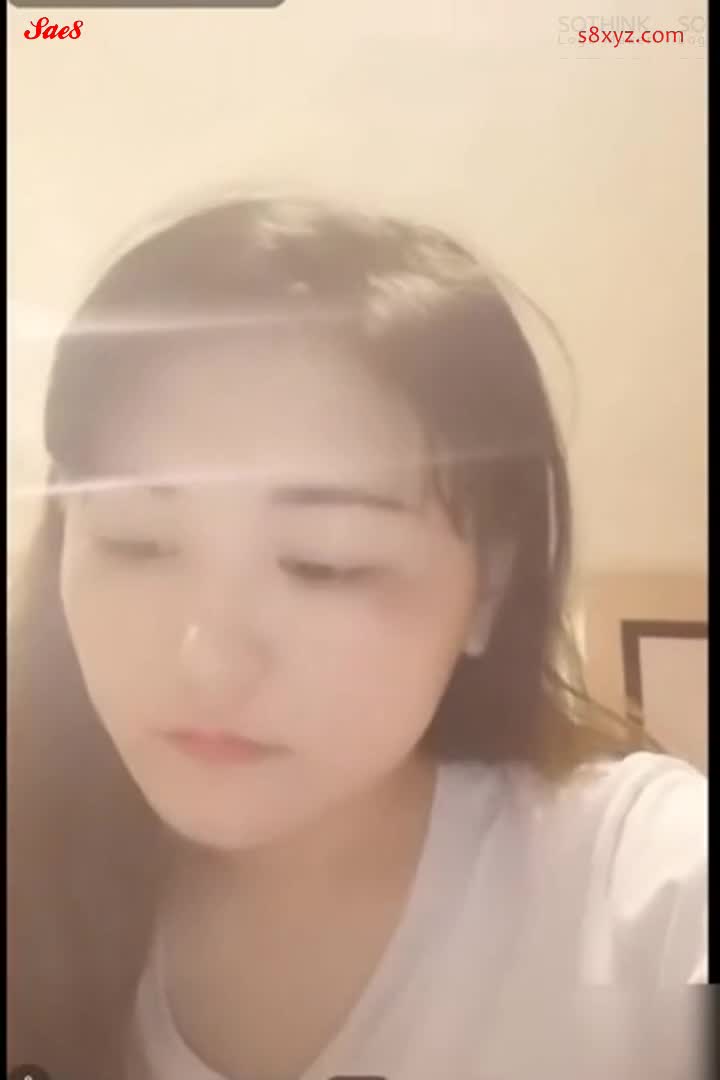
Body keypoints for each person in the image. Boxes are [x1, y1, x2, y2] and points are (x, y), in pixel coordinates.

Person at [8, 196, 707, 1080]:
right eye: (136, 542)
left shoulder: (643, 890)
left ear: (490, 587)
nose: (209, 662)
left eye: (325, 564)